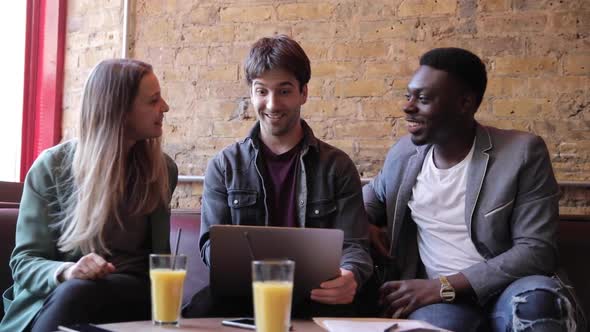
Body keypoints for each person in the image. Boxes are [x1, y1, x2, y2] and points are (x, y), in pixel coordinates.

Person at [363, 48, 584, 331]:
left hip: (512, 287)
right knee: (431, 327)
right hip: (442, 303)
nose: (408, 106)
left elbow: (536, 251)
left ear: (464, 103)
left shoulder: (522, 153)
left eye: (423, 99)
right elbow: (367, 202)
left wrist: (443, 287)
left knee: (535, 304)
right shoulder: (403, 155)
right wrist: (364, 222)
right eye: (408, 96)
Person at [186, 35, 372, 318]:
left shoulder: (338, 166)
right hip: (245, 294)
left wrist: (350, 274)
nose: (272, 105)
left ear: (303, 93)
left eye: (284, 91)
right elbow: (210, 244)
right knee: (198, 310)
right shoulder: (224, 165)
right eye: (262, 91)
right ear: (251, 93)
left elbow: (355, 245)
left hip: (317, 293)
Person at [0, 59, 178, 332]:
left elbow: (160, 266)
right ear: (119, 110)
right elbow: (24, 263)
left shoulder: (163, 169)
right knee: (77, 291)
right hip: (66, 297)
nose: (164, 107)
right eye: (153, 100)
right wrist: (67, 271)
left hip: (136, 298)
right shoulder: (52, 168)